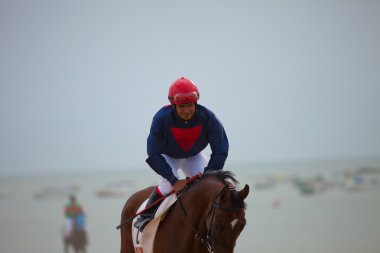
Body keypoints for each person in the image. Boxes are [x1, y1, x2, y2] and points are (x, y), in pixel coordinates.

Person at [134, 77, 229, 231]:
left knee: (210, 184)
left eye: (190, 105)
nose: (186, 110)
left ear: (196, 103)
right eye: (182, 106)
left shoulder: (209, 118)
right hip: (167, 156)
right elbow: (153, 154)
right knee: (166, 186)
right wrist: (173, 180)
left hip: (193, 156)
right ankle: (144, 216)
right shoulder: (160, 119)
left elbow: (220, 150)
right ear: (173, 105)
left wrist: (209, 173)